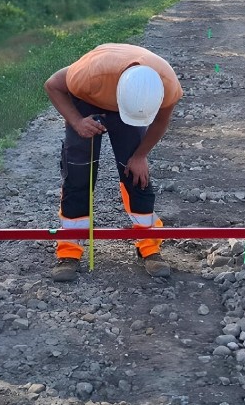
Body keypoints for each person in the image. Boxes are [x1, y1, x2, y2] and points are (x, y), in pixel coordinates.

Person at [44, 43, 183, 281]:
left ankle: (149, 246)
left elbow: (160, 122)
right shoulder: (90, 75)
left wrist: (140, 156)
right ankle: (69, 251)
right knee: (78, 173)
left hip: (132, 101)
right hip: (89, 97)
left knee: (136, 174)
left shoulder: (167, 86)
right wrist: (77, 122)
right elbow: (52, 85)